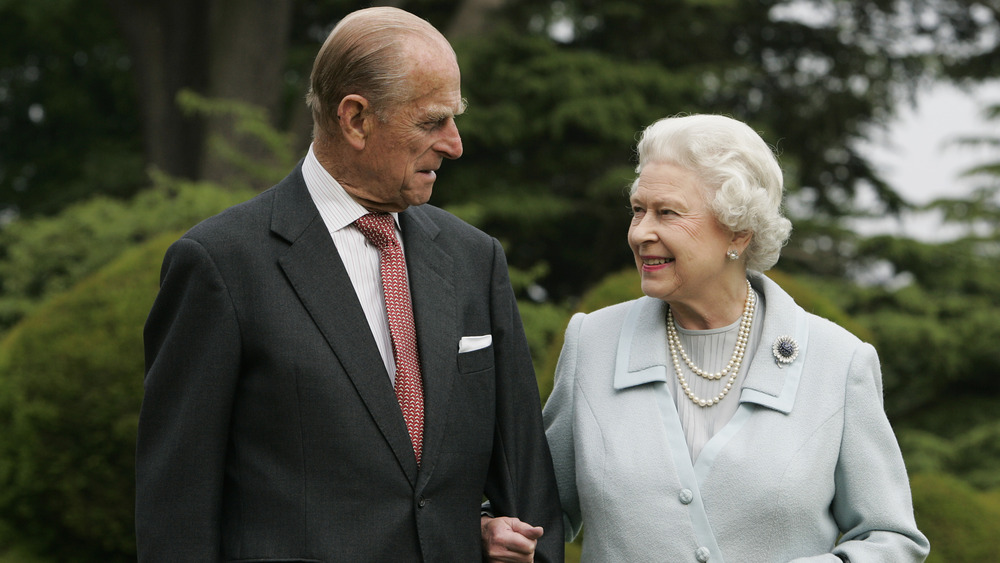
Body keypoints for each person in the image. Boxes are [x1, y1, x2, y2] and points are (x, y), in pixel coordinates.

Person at [135, 7, 563, 562]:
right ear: (356, 119)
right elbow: (176, 513)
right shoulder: (220, 265)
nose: (454, 144)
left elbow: (527, 487)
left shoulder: (474, 259)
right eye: (432, 121)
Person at [483, 114, 930, 562]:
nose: (640, 233)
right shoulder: (593, 342)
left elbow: (892, 540)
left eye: (668, 213)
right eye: (638, 209)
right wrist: (495, 532)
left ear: (738, 230)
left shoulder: (838, 361)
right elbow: (537, 510)